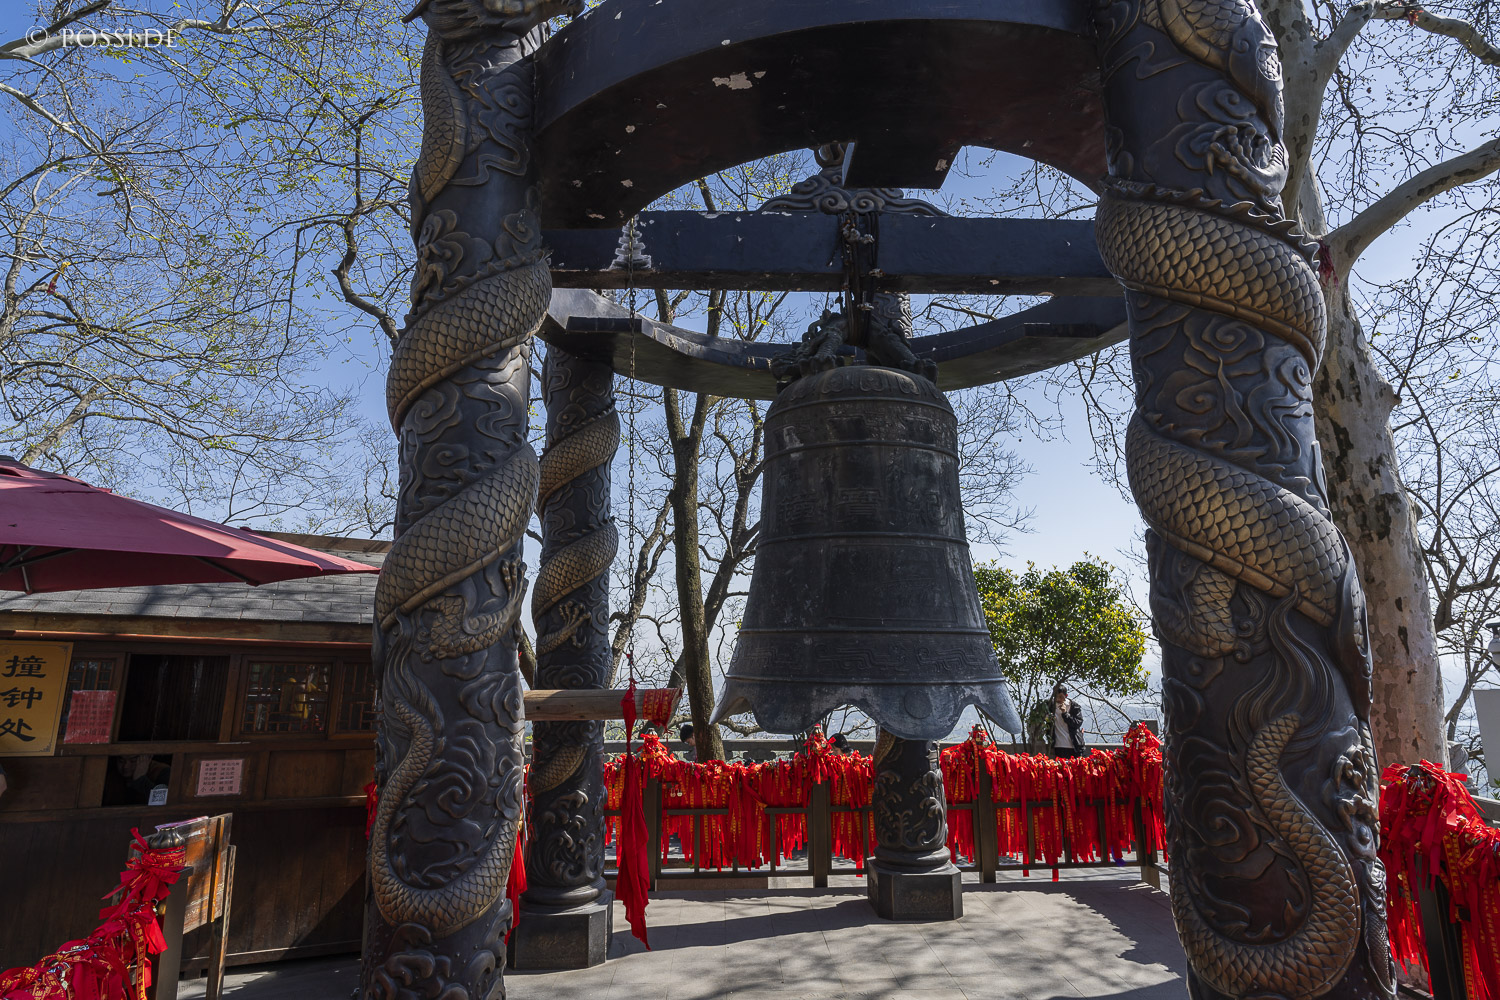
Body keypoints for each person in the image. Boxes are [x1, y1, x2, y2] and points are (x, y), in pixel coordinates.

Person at [1040, 684, 1085, 758]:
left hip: (1074, 745)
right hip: (1058, 745)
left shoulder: (1073, 706)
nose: (1058, 699)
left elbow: (1077, 723)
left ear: (1066, 695)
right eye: (1056, 696)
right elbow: (1040, 718)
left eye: (1061, 697)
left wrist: (1065, 714)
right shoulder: (1049, 705)